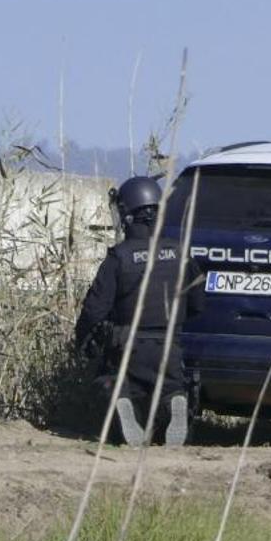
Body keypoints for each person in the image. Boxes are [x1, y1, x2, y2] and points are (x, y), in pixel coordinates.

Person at [74, 176, 201, 447]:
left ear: (127, 215)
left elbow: (94, 309)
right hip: (170, 346)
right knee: (170, 386)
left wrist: (82, 342)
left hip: (128, 346)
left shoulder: (119, 257)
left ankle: (122, 400)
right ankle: (173, 399)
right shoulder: (181, 253)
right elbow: (198, 303)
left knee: (113, 381)